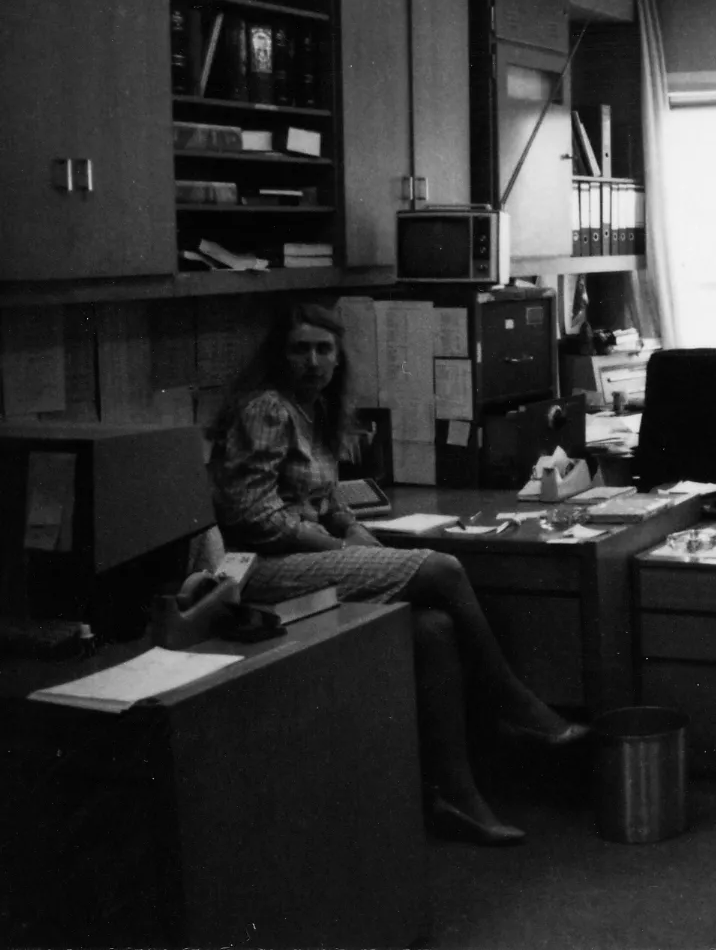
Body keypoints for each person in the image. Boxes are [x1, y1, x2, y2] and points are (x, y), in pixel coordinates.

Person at [202, 300, 583, 847]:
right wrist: (345, 546)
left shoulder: (319, 410)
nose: (312, 361)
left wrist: (369, 548)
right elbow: (254, 517)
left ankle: (457, 797)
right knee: (444, 569)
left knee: (434, 628)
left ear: (337, 358)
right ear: (278, 356)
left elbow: (333, 506)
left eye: (323, 349)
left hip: (304, 558)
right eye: (299, 349)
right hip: (261, 573)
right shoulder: (268, 409)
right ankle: (515, 705)